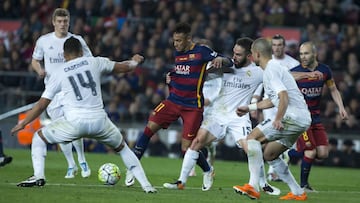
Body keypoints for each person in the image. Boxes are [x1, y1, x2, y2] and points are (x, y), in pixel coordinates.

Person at [11, 37, 157, 193]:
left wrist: (24, 123)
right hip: (100, 122)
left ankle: (38, 176)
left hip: (74, 123)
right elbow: (125, 67)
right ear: (81, 51)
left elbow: (41, 105)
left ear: (64, 55)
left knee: (38, 137)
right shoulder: (94, 62)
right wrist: (135, 61)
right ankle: (147, 185)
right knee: (123, 148)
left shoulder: (58, 73)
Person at [163, 37, 280, 195]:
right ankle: (181, 181)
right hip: (218, 113)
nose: (234, 57)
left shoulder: (258, 72)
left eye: (238, 54)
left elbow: (283, 77)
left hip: (239, 117)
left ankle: (263, 183)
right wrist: (174, 78)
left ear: (249, 56)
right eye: (234, 53)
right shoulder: (224, 67)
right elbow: (196, 75)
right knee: (196, 142)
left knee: (251, 149)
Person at [125, 22, 233, 190]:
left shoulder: (202, 51)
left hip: (192, 106)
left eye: (179, 41)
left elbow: (229, 62)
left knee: (187, 149)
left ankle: (207, 170)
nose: (175, 44)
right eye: (174, 40)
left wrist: (220, 59)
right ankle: (132, 168)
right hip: (173, 101)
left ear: (188, 39)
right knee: (148, 129)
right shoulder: (178, 52)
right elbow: (184, 71)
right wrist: (171, 77)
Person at [233, 38, 311, 201]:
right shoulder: (273, 68)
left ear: (256, 54)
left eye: (252, 54)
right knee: (270, 154)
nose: (251, 58)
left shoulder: (270, 70)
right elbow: (272, 100)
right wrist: (249, 107)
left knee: (252, 138)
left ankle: (253, 186)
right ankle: (298, 192)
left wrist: (278, 118)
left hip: (292, 117)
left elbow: (284, 96)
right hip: (302, 119)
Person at [31, 8, 91, 179]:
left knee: (74, 126)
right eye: (60, 21)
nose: (63, 24)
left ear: (69, 22)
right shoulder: (44, 41)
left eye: (65, 21)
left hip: (71, 90)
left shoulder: (76, 40)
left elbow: (89, 60)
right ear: (53, 22)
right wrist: (39, 70)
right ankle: (71, 165)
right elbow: (35, 60)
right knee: (60, 129)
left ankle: (82, 159)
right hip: (52, 93)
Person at [289, 41, 349, 191]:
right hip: (301, 119)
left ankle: (288, 152)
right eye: (301, 54)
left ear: (314, 54)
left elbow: (333, 89)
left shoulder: (325, 70)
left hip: (316, 118)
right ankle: (303, 186)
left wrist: (341, 107)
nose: (303, 56)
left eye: (306, 53)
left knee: (322, 154)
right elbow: (288, 75)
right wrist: (308, 74)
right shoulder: (296, 71)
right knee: (311, 151)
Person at [266, 34, 300, 182]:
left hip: (286, 103)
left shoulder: (293, 63)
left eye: (280, 45)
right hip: (269, 102)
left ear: (284, 46)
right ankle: (273, 170)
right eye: (274, 45)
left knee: (281, 136)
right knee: (269, 135)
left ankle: (275, 170)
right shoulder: (268, 61)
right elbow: (262, 81)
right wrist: (255, 100)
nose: (277, 47)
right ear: (271, 47)